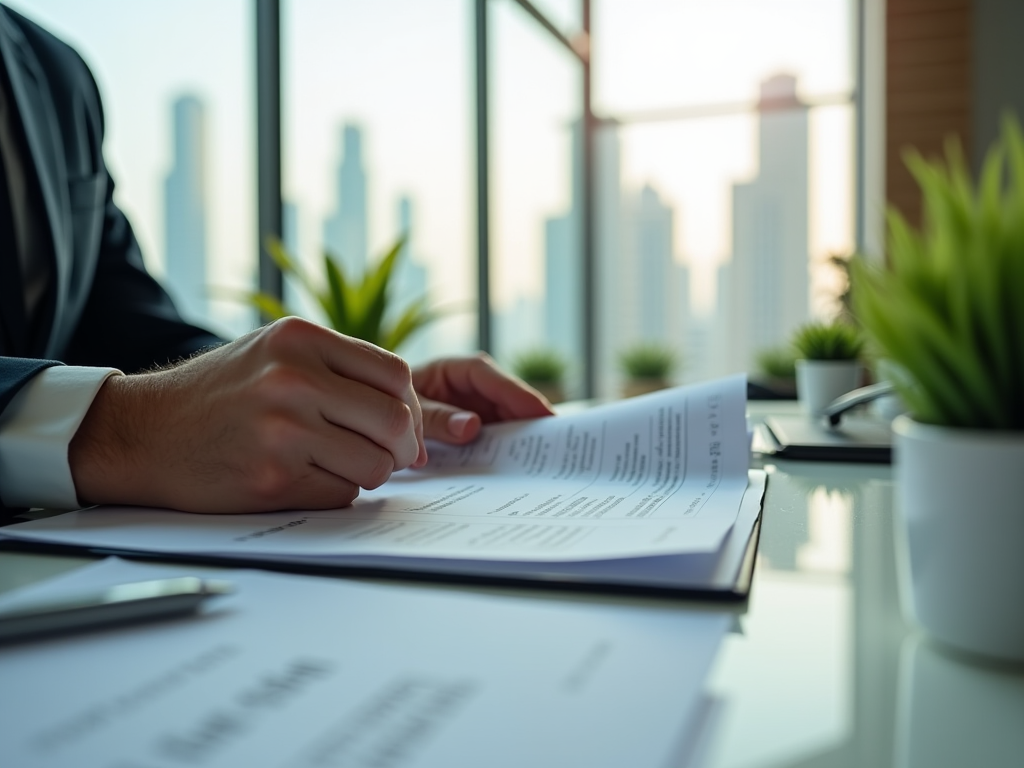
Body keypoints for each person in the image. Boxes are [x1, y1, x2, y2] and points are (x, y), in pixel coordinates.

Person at [0, 4, 553, 516]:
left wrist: (329, 397)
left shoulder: (55, 73)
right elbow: (143, 409)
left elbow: (136, 332)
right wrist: (113, 430)